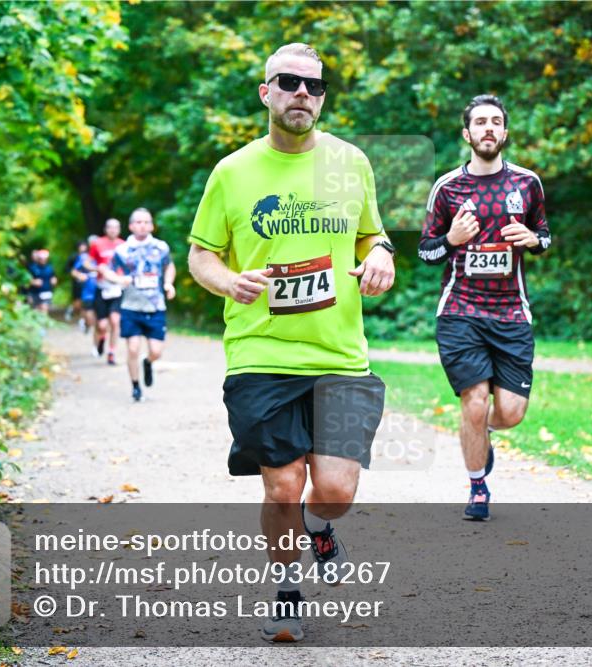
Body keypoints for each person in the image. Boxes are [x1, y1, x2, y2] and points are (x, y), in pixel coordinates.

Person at [187, 42, 394, 642]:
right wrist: (230, 281)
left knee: (332, 494)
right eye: (290, 83)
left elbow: (371, 236)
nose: (303, 94)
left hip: (340, 356)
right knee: (281, 483)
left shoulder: (350, 162)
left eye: (315, 86)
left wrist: (380, 256)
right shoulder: (233, 171)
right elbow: (202, 255)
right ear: (266, 92)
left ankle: (319, 526)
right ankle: (286, 590)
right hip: (262, 353)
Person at [418, 94, 551, 521]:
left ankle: (482, 434)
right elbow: (425, 252)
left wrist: (534, 240)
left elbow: (545, 235)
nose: (488, 128)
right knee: (474, 400)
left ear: (505, 132)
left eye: (496, 121)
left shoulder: (527, 184)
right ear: (467, 134)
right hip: (460, 310)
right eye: (480, 122)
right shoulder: (448, 188)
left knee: (510, 413)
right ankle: (478, 488)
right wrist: (451, 240)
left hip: (513, 312)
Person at [100, 208, 175, 402]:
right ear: (131, 226)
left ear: (151, 225)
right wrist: (118, 279)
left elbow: (169, 267)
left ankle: (148, 362)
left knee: (156, 351)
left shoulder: (160, 247)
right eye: (138, 222)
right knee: (132, 348)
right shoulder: (122, 250)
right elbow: (106, 270)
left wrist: (168, 283)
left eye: (146, 222)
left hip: (155, 306)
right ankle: (135, 386)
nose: (142, 225)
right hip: (131, 306)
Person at [89, 219, 126, 365]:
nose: (113, 230)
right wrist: (98, 268)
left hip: (117, 288)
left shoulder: (124, 245)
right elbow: (87, 262)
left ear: (119, 229)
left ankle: (111, 352)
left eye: (116, 227)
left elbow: (129, 264)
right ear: (105, 229)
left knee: (115, 321)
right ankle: (102, 339)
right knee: (103, 325)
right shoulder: (97, 243)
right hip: (102, 288)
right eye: (110, 227)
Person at [71, 237, 98, 338]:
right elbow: (74, 271)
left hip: (102, 291)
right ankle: (86, 323)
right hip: (88, 291)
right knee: (89, 315)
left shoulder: (104, 256)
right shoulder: (84, 257)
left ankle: (98, 338)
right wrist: (80, 276)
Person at [26, 248, 57, 314]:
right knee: (36, 311)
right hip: (35, 293)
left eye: (44, 258)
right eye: (41, 258)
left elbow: (53, 277)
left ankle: (44, 322)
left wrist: (54, 280)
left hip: (46, 292)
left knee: (44, 308)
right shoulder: (32, 268)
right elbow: (26, 280)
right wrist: (33, 282)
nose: (43, 260)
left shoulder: (50, 268)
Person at [64, 240, 88, 322]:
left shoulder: (88, 256)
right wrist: (75, 273)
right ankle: (72, 309)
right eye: (81, 246)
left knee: (86, 301)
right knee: (77, 302)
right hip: (77, 283)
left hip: (87, 282)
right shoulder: (73, 257)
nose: (83, 248)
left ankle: (82, 319)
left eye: (84, 245)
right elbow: (66, 268)